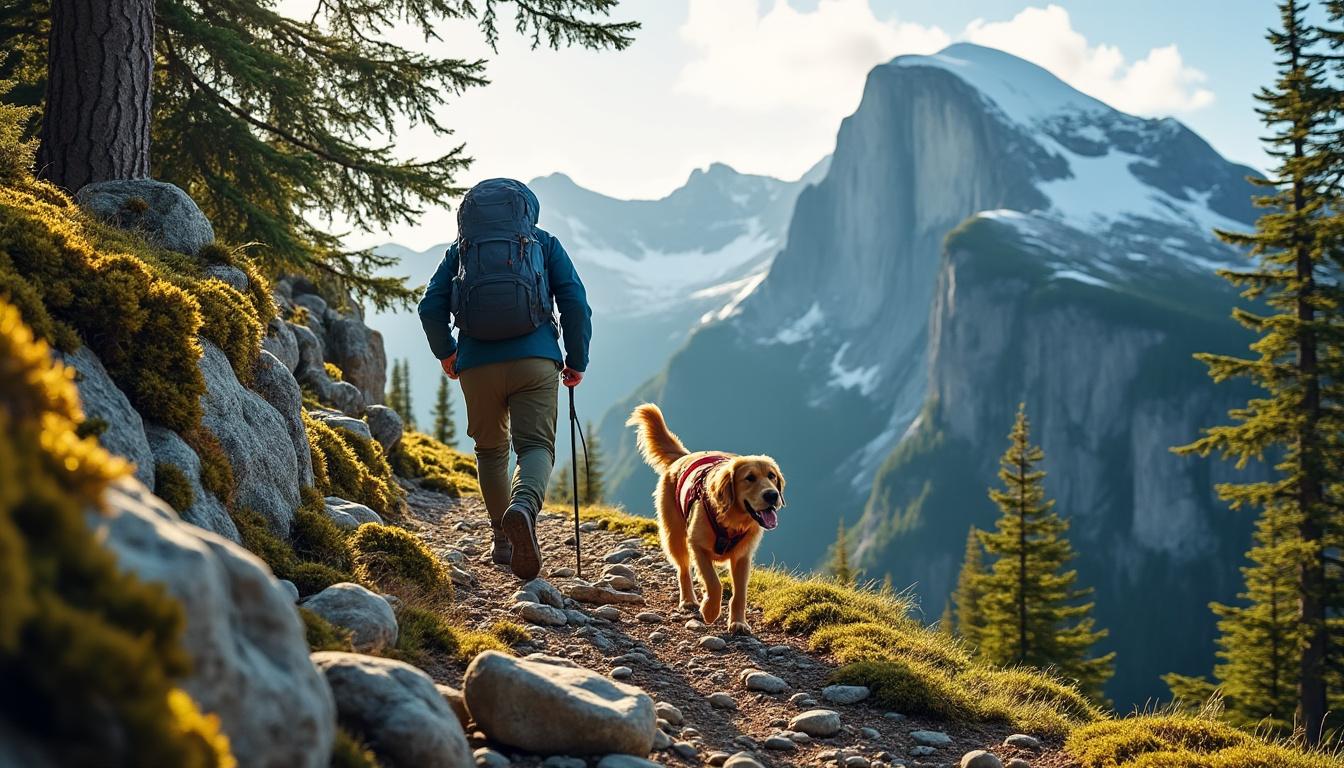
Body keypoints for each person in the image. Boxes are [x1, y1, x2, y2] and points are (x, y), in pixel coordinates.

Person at [418, 178, 591, 580]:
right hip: (536, 360)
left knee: (491, 451)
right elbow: (575, 302)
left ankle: (502, 538)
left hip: (477, 363)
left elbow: (430, 306)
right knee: (535, 446)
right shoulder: (542, 243)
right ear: (526, 212)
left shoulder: (460, 252)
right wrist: (577, 359)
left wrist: (447, 351)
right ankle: (524, 508)